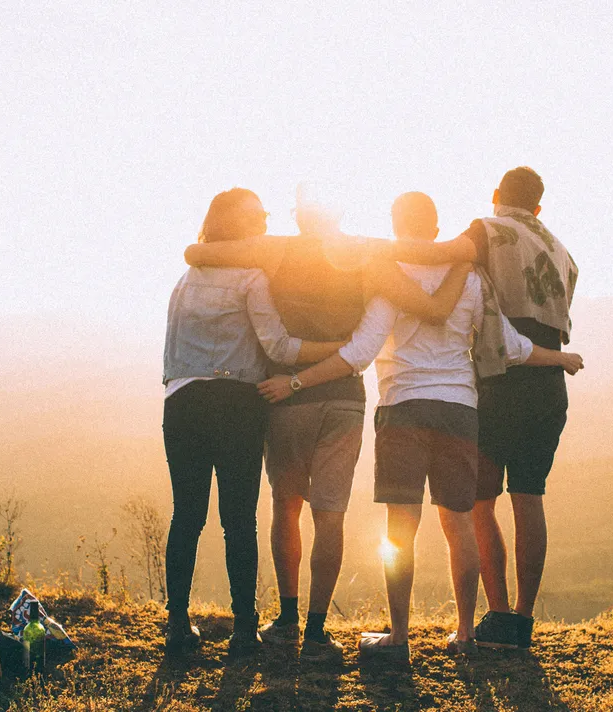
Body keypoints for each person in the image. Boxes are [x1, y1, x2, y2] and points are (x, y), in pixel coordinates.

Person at [257, 192, 583, 663]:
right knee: (460, 526)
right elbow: (510, 345)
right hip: (459, 411)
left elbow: (361, 352)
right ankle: (466, 634)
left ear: (395, 225)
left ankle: (400, 637)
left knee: (400, 529)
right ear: (436, 230)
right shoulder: (470, 277)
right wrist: (560, 358)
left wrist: (296, 381)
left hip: (402, 408)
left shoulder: (389, 275)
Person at [184, 188, 471, 661]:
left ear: (299, 216)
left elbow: (198, 252)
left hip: (287, 395)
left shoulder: (275, 248)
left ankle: (288, 618)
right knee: (330, 513)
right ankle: (317, 632)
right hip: (345, 397)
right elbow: (427, 279)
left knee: (286, 504)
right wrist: (462, 254)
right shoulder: (366, 252)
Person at [381, 167, 579, 650]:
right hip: (548, 382)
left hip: (499, 380)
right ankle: (522, 622)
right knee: (529, 497)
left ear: (496, 197)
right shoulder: (560, 250)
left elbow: (439, 255)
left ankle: (496, 613)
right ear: (538, 206)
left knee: (480, 503)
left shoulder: (486, 230)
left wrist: (368, 252)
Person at [162, 188, 346, 658]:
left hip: (182, 402)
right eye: (258, 216)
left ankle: (178, 625)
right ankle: (244, 630)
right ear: (239, 226)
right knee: (238, 520)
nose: (265, 221)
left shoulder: (185, 279)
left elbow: (171, 354)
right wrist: (338, 350)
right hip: (236, 405)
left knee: (187, 515)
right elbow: (280, 348)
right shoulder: (251, 277)